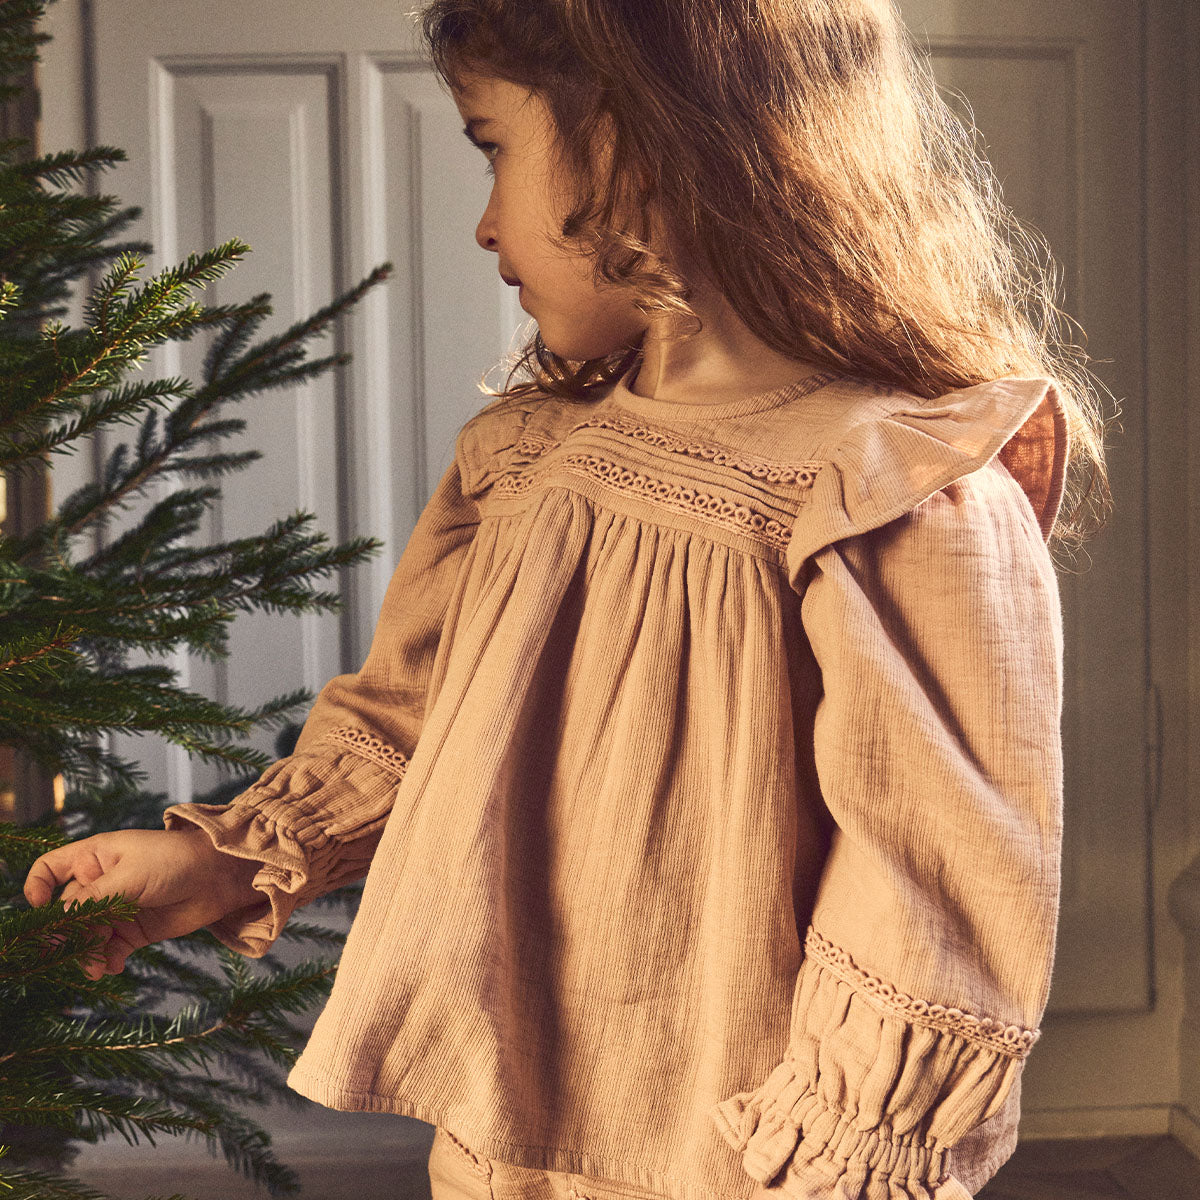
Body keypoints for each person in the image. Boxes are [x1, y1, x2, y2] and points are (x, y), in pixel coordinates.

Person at [23, 1, 1115, 1198]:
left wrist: (836, 1159)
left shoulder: (892, 487)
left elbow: (933, 899)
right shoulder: (531, 457)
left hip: (736, 1160)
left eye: (494, 146)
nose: (486, 225)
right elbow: (415, 726)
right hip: (504, 1141)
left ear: (638, 140)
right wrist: (229, 864)